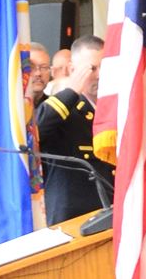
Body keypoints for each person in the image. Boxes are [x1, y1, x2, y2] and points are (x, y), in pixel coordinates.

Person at [34, 32, 107, 224]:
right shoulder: (66, 109)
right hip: (75, 220)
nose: (100, 74)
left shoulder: (116, 109)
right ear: (73, 69)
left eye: (104, 66)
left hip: (111, 213)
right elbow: (36, 131)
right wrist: (71, 91)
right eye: (92, 68)